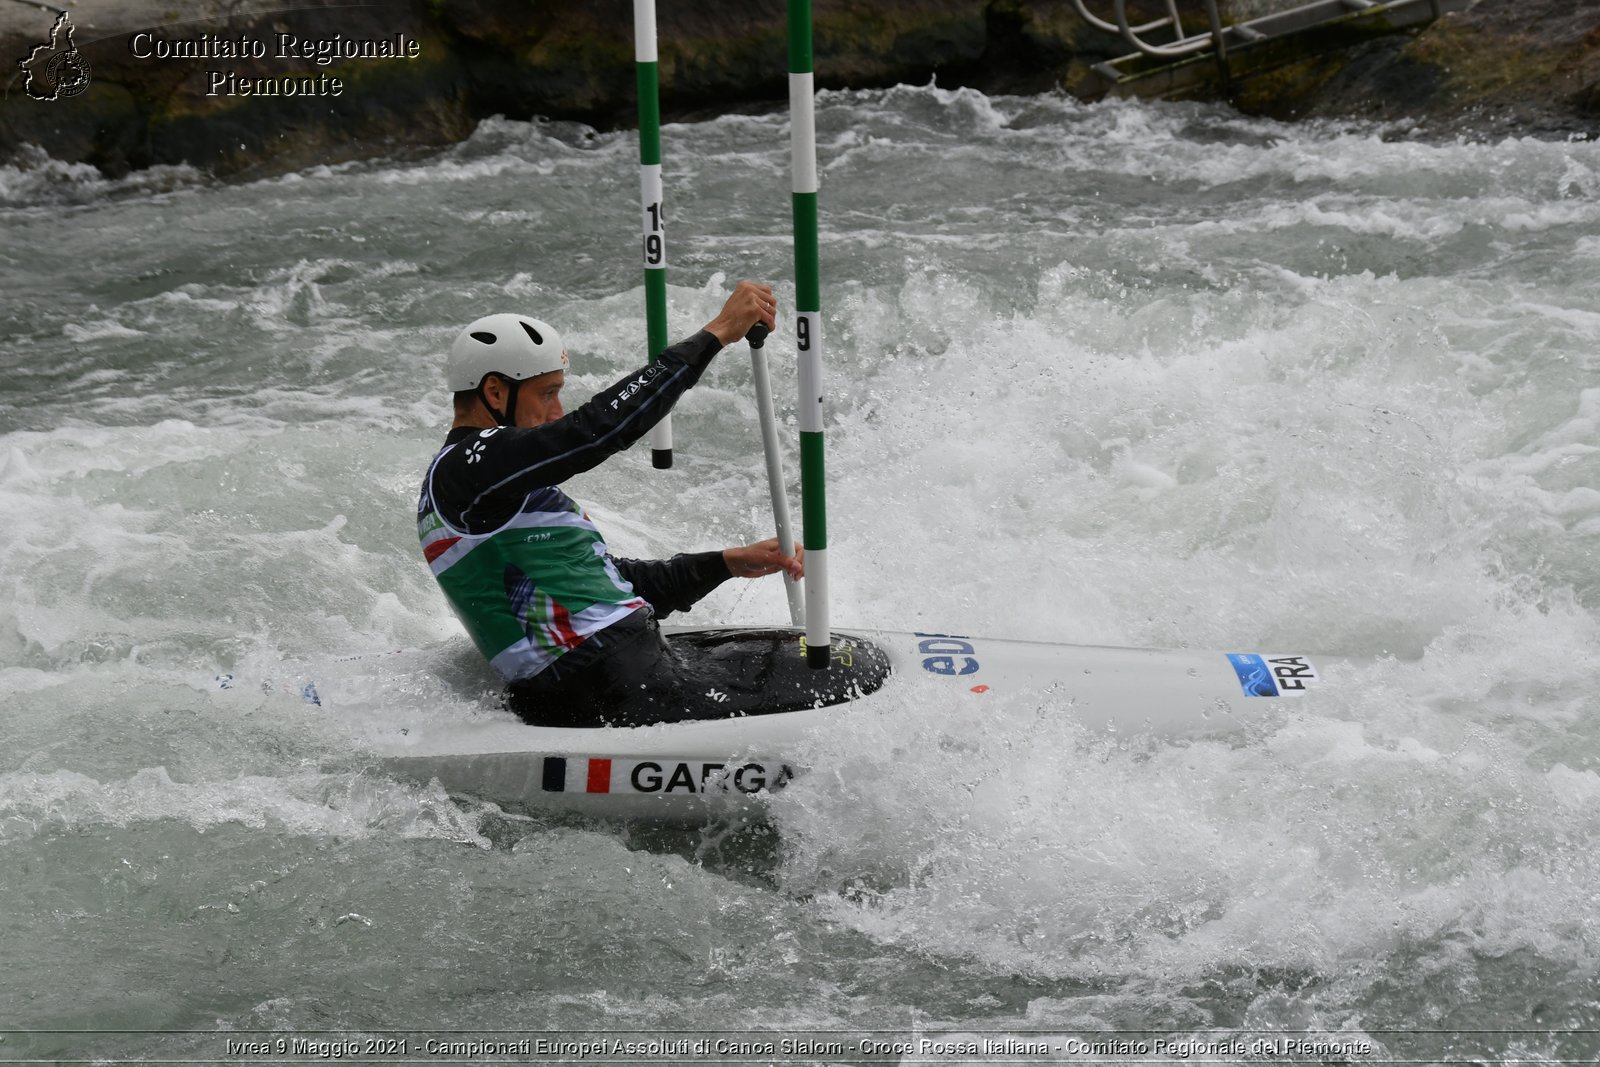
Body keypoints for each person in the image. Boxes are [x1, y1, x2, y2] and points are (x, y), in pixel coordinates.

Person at [417, 280, 802, 728]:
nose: (557, 411)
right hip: (607, 685)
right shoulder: (467, 465)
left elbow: (604, 589)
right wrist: (716, 333)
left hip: (615, 672)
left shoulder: (490, 485)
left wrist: (725, 562)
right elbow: (595, 431)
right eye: (547, 393)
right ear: (496, 392)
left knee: (811, 652)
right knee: (846, 671)